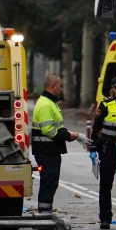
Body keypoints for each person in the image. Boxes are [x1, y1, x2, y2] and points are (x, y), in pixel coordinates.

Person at [30, 74, 82, 215]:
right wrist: (69, 135)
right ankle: (44, 213)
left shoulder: (48, 102)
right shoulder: (46, 104)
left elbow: (56, 128)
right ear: (52, 87)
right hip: (47, 151)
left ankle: (46, 210)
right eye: (60, 86)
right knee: (49, 182)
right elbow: (49, 130)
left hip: (49, 150)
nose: (62, 89)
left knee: (50, 181)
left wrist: (70, 135)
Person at [91, 76, 116, 229]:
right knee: (106, 184)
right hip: (108, 147)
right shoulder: (105, 104)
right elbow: (96, 128)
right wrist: (93, 148)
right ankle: (105, 218)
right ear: (115, 89)